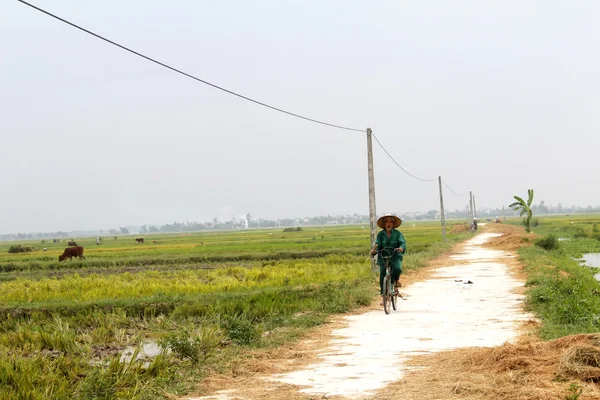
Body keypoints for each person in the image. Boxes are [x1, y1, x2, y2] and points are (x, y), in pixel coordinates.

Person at [370, 214, 406, 302]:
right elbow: (377, 245)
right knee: (383, 274)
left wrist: (401, 248)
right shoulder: (380, 235)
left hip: (395, 256)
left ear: (393, 224)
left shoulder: (398, 234)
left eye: (390, 222)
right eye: (386, 222)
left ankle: (395, 280)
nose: (388, 224)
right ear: (384, 224)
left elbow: (403, 243)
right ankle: (384, 295)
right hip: (383, 257)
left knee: (397, 268)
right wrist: (374, 251)